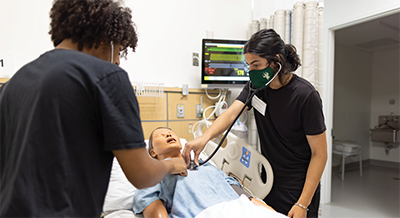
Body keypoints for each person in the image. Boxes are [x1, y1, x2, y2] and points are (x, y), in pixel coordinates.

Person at [0, 0, 187, 217]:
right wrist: (171, 164)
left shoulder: (13, 84)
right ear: (105, 37)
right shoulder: (108, 77)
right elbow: (142, 174)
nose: (117, 61)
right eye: (119, 50)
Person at [183, 29, 327, 218]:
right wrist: (203, 139)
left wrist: (303, 203)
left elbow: (320, 154)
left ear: (277, 61)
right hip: (269, 179)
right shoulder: (257, 87)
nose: (251, 71)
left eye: (256, 64)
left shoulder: (305, 96)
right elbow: (232, 112)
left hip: (297, 186)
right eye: (249, 65)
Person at [133, 127, 277, 218]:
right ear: (152, 152)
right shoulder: (152, 175)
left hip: (242, 207)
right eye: (161, 135)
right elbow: (151, 204)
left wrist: (261, 206)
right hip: (205, 213)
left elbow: (231, 185)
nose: (168, 135)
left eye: (170, 133)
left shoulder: (203, 163)